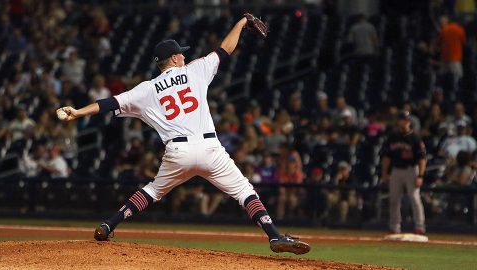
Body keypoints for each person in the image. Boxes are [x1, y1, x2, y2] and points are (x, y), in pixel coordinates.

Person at [56, 15, 310, 255]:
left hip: (178, 152)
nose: (184, 58)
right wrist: (242, 21)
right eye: (182, 55)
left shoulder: (147, 88)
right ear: (176, 58)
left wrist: (78, 112)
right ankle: (274, 235)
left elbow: (108, 103)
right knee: (244, 191)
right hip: (210, 148)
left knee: (153, 190)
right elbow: (225, 49)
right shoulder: (196, 70)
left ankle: (109, 225)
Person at [381, 111, 427, 234]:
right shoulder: (392, 137)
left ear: (409, 122)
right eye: (401, 119)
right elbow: (386, 157)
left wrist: (420, 175)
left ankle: (419, 226)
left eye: (405, 119)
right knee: (394, 199)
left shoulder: (415, 138)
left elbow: (422, 158)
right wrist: (385, 173)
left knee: (414, 198)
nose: (403, 121)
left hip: (411, 170)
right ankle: (395, 226)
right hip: (396, 170)